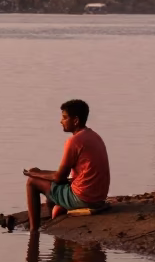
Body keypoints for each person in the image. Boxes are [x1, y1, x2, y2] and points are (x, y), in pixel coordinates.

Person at [24, 99, 110, 231]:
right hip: (99, 197)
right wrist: (41, 172)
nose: (61, 121)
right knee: (52, 186)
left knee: (32, 182)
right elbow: (62, 177)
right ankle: (56, 218)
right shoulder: (94, 136)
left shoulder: (74, 141)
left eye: (64, 117)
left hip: (84, 198)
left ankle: (33, 231)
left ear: (75, 120)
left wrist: (34, 173)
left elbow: (59, 177)